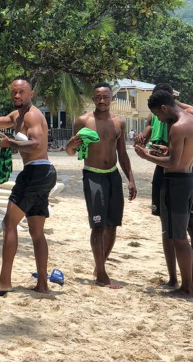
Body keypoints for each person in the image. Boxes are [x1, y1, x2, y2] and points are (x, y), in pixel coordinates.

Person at [0, 77, 57, 295]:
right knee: (36, 232)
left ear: (31, 94)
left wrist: (10, 143)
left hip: (36, 172)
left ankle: (4, 281)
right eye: (13, 92)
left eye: (21, 92)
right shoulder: (16, 116)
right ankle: (43, 284)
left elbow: (37, 144)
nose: (17, 96)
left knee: (9, 225)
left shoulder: (32, 116)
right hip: (42, 172)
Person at [66, 82, 136, 289]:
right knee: (98, 226)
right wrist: (70, 146)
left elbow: (122, 154)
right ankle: (102, 276)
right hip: (93, 176)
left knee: (112, 226)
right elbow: (72, 152)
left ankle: (100, 266)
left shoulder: (119, 123)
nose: (102, 100)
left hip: (113, 175)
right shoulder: (83, 121)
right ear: (93, 98)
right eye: (98, 97)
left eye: (105, 96)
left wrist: (130, 178)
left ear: (111, 98)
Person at [134, 91, 193, 297]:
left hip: (176, 184)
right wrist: (166, 151)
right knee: (187, 234)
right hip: (190, 180)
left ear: (164, 108)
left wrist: (145, 155)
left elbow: (173, 163)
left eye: (158, 115)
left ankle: (188, 287)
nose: (159, 120)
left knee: (178, 238)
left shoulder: (176, 126)